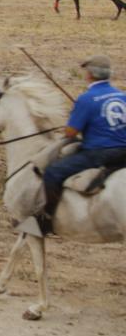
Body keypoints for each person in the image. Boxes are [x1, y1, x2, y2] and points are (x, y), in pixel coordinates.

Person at [36, 55, 126, 235]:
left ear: (90, 75)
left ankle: (45, 220)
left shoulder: (86, 99)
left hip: (99, 153)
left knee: (53, 173)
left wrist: (74, 122)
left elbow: (71, 133)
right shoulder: (122, 95)